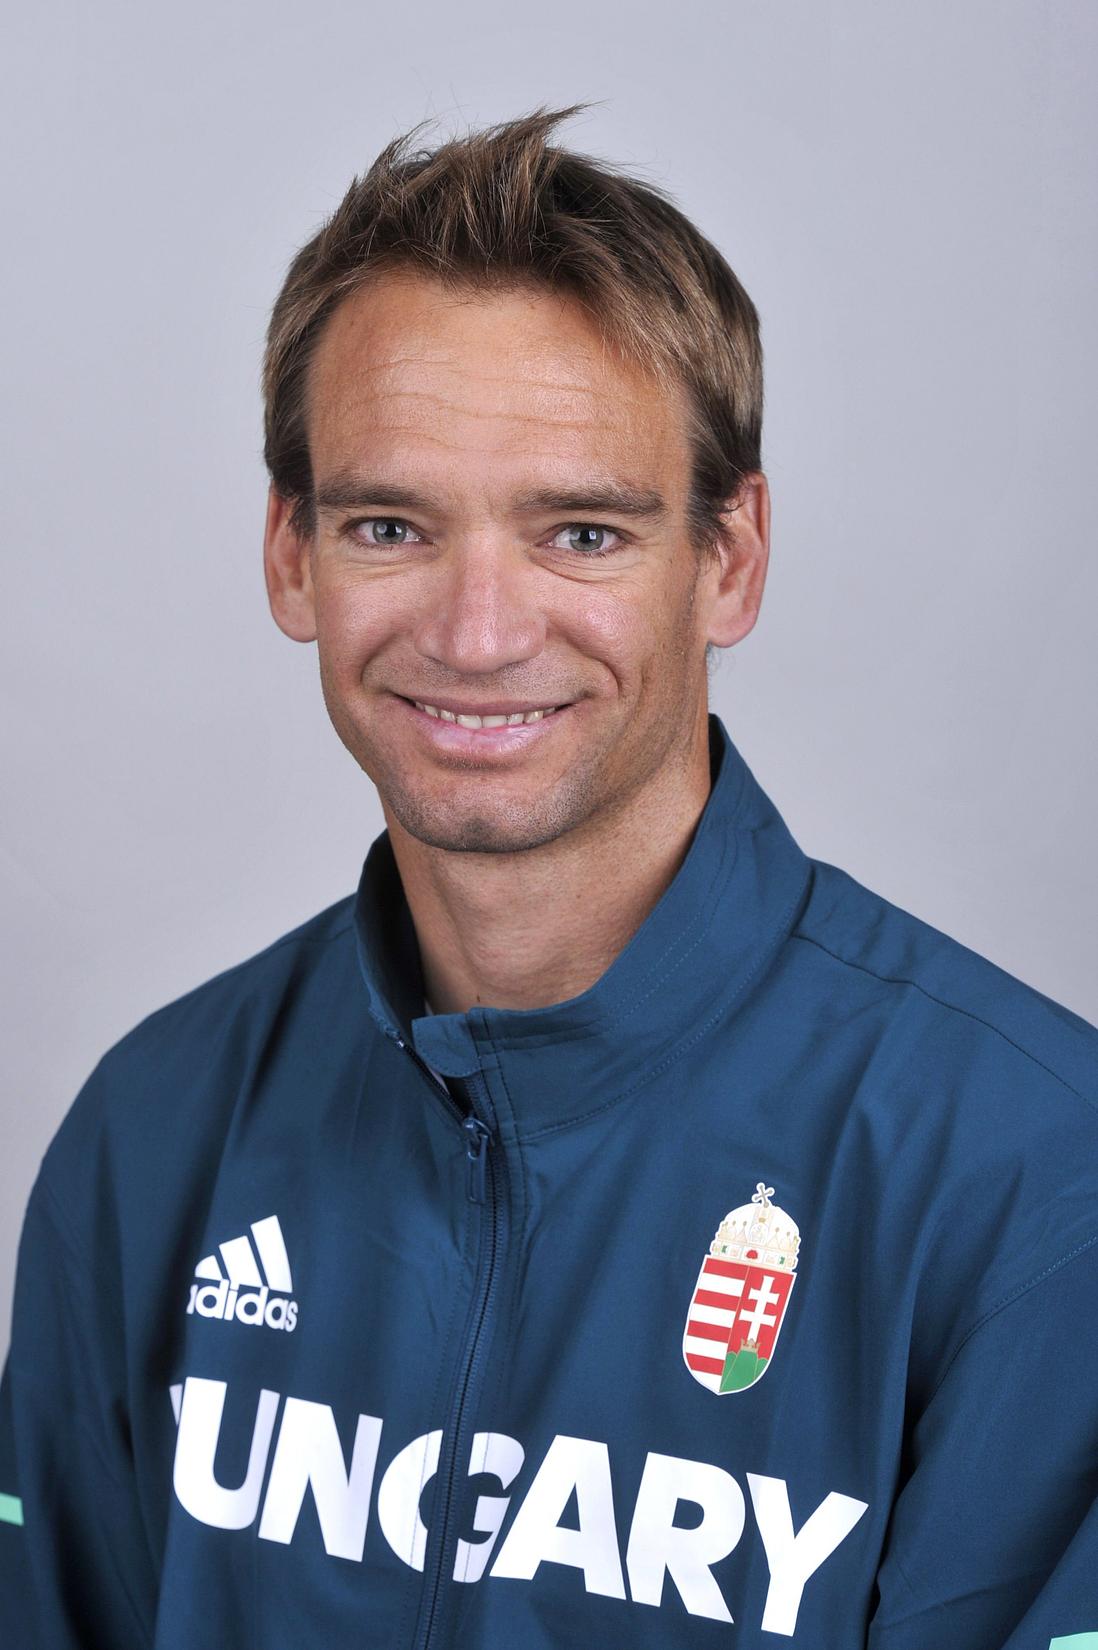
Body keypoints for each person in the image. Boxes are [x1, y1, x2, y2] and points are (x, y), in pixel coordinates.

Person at [1, 103, 1096, 1650]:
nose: (477, 632)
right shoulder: (157, 1127)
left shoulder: (1035, 1183)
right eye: (391, 524)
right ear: (292, 553)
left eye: (580, 532)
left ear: (728, 558)